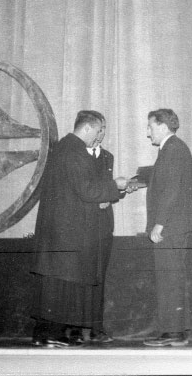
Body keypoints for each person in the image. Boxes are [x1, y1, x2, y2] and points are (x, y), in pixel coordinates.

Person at [31, 110, 129, 348]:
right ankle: (50, 334)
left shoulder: (62, 148)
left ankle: (47, 333)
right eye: (97, 131)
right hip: (66, 231)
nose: (99, 136)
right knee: (60, 284)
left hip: (59, 229)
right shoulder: (75, 152)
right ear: (87, 128)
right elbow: (87, 189)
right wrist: (114, 186)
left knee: (56, 284)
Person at [143, 109, 192, 347]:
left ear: (163, 126)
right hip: (176, 225)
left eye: (151, 127)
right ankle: (177, 330)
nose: (148, 133)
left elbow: (172, 189)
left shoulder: (173, 149)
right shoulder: (173, 148)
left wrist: (159, 223)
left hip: (171, 226)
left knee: (169, 277)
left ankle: (172, 332)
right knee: (173, 277)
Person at [85, 121, 117, 343]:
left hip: (103, 225)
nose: (102, 134)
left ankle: (96, 328)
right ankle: (76, 328)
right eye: (99, 129)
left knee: (99, 278)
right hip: (84, 225)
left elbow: (108, 187)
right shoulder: (77, 156)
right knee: (80, 278)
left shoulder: (108, 157)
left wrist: (116, 191)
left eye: (104, 129)